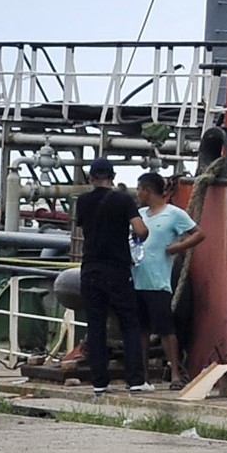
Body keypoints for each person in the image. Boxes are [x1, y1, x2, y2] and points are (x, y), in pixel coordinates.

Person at [71, 160, 146, 391]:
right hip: (117, 269)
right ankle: (135, 381)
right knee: (129, 324)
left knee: (95, 326)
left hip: (90, 268)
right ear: (113, 176)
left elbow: (83, 228)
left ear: (91, 177)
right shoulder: (123, 200)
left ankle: (99, 383)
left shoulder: (83, 201)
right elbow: (140, 230)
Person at [128, 171, 203, 386]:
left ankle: (176, 373)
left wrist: (178, 247)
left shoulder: (174, 214)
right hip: (137, 277)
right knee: (141, 329)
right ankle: (141, 374)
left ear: (147, 190)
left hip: (158, 280)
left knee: (165, 329)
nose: (138, 193)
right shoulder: (139, 214)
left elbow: (198, 233)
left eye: (139, 189)